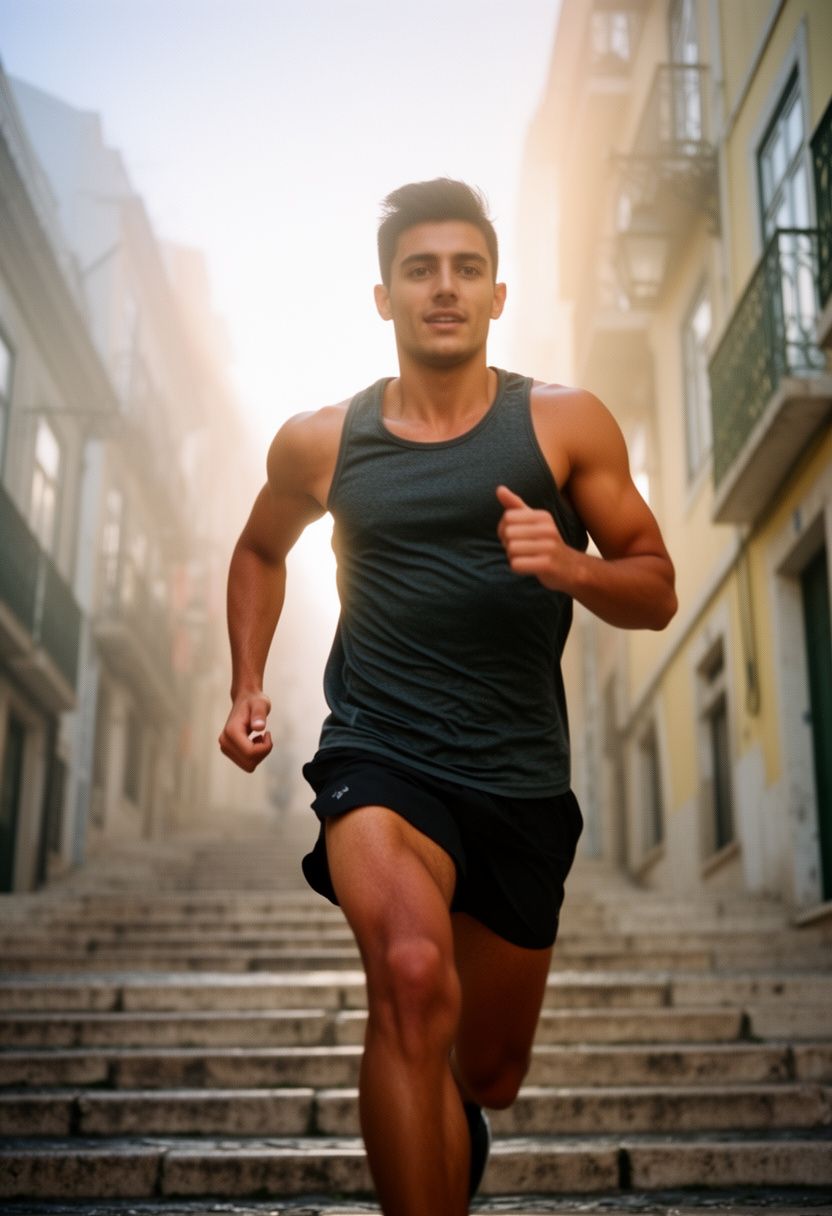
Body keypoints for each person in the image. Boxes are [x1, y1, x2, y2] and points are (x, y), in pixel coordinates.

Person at [219, 178, 677, 1216]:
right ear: (383, 296)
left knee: (489, 1071)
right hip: (378, 755)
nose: (444, 287)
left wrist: (570, 565)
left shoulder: (561, 423)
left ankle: (446, 1114)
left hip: (518, 775)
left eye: (466, 269)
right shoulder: (322, 441)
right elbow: (258, 549)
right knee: (413, 977)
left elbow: (654, 587)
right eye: (419, 269)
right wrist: (246, 682)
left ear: (497, 294)